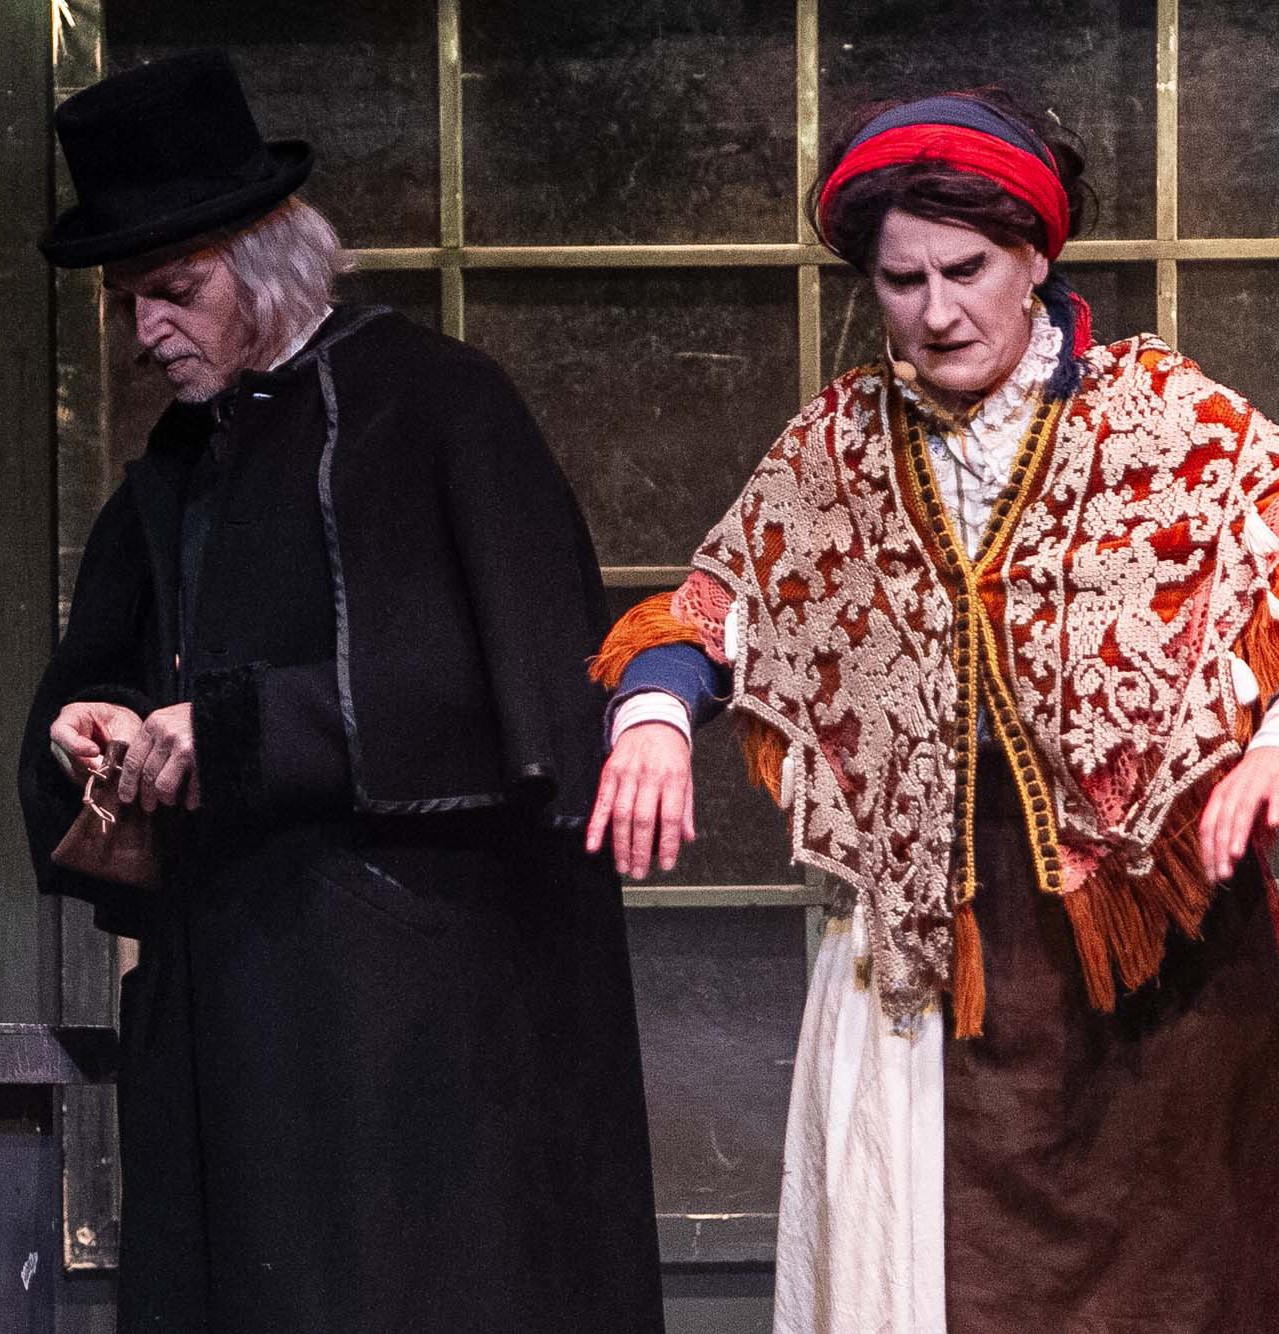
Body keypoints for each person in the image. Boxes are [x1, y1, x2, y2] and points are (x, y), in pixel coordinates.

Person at [586, 89, 1279, 1333]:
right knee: (941, 1280)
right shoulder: (840, 448)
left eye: (966, 270)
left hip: (1161, 963)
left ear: (1035, 259)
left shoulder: (1168, 421)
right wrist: (650, 715)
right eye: (901, 281)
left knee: (1180, 1281)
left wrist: (1271, 743)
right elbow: (714, 608)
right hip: (939, 957)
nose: (936, 311)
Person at [19, 50, 664, 1334]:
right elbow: (113, 659)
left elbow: (527, 686)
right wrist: (92, 721)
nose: (147, 333)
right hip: (231, 998)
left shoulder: (434, 403)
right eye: (129, 301)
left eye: (176, 293)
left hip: (420, 1006)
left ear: (266, 267)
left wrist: (245, 728)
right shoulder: (181, 456)